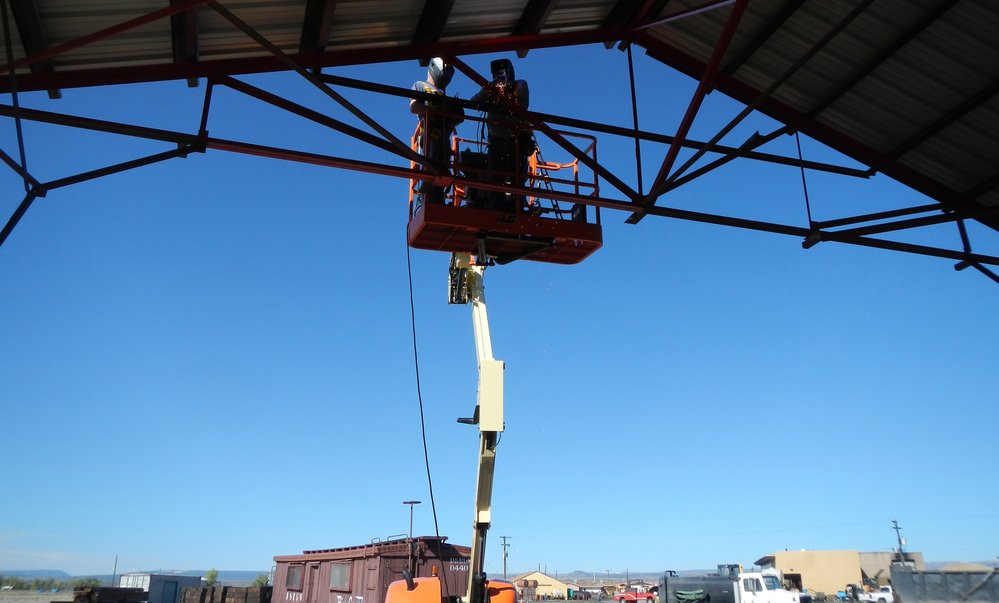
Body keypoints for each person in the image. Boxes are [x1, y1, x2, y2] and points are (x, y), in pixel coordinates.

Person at [470, 58, 532, 212]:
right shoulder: (490, 88)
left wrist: (500, 98)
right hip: (496, 143)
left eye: (502, 74)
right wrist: (489, 93)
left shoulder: (520, 85)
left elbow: (522, 104)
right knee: (495, 179)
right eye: (497, 75)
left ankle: (517, 209)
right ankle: (495, 210)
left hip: (517, 142)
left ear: (509, 73)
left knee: (517, 180)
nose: (500, 78)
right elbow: (473, 102)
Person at [410, 57, 464, 204]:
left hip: (443, 139)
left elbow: (459, 118)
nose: (446, 79)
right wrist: (436, 110)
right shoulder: (420, 85)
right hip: (430, 136)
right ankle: (427, 200)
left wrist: (454, 109)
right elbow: (414, 107)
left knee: (444, 170)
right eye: (445, 74)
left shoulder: (444, 96)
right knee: (433, 168)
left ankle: (438, 200)